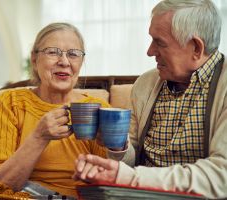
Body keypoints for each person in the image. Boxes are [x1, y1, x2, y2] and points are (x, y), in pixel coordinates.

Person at [73, 0, 227, 199]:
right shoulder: (146, 83)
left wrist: (129, 178)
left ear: (196, 48)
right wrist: (118, 146)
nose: (150, 51)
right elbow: (130, 161)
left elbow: (221, 176)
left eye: (160, 42)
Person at [0, 22, 110, 198]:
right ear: (34, 59)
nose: (64, 62)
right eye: (53, 52)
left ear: (81, 61)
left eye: (73, 54)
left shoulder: (98, 109)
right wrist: (39, 136)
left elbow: (108, 184)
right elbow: (2, 184)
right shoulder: (11, 103)